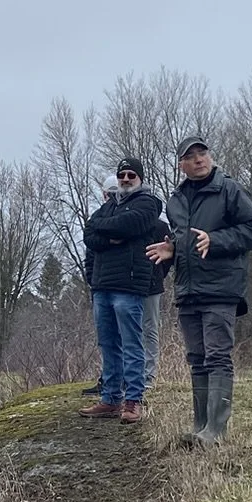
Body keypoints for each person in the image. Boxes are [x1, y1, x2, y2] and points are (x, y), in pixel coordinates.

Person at [147, 137, 252, 445]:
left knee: (217, 357)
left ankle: (216, 430)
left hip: (221, 286)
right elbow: (185, 238)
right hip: (188, 289)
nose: (199, 159)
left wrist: (217, 240)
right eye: (191, 156)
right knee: (196, 358)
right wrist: (172, 249)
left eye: (203, 153)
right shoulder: (175, 200)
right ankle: (200, 426)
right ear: (180, 164)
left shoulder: (229, 189)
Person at [80, 158, 166, 423]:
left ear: (139, 178)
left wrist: (110, 231)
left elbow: (132, 224)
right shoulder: (108, 207)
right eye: (122, 175)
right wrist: (112, 235)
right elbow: (89, 233)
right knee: (108, 344)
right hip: (102, 285)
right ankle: (110, 399)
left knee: (131, 343)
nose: (126, 179)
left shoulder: (148, 203)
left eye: (131, 174)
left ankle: (133, 401)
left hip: (129, 285)